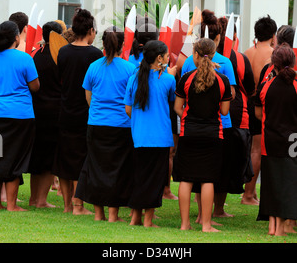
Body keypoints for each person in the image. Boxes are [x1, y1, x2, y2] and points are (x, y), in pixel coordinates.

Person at [75, 26, 136, 222]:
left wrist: (99, 113)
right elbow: (132, 101)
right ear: (123, 45)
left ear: (103, 44)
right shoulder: (129, 69)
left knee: (96, 168)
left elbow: (88, 98)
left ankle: (98, 214)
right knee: (118, 169)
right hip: (121, 125)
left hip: (97, 124)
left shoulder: (94, 67)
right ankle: (113, 215)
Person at [173, 38, 232, 232]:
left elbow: (177, 107)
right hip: (213, 134)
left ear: (195, 55)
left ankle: (184, 224)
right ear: (214, 55)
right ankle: (206, 225)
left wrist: (190, 117)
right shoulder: (222, 80)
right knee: (208, 179)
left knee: (186, 179)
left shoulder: (186, 78)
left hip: (189, 132)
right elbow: (224, 112)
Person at [181, 10, 236, 217]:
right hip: (218, 126)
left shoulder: (188, 65)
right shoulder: (226, 64)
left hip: (190, 127)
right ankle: (214, 212)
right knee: (211, 175)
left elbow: (180, 101)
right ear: (217, 40)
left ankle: (193, 217)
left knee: (190, 175)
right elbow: (229, 98)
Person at [52, 8, 103, 214]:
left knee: (64, 158)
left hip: (65, 110)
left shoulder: (63, 51)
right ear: (90, 30)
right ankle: (78, 205)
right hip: (86, 112)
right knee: (82, 158)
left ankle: (66, 206)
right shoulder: (95, 55)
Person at [125, 40, 176, 227]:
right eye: (167, 54)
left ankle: (135, 218)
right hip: (160, 137)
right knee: (155, 181)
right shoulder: (169, 79)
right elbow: (172, 102)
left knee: (139, 177)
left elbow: (128, 109)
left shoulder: (134, 78)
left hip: (139, 136)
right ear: (160, 58)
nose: (169, 57)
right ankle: (148, 220)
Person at [255, 43, 297, 236]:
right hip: (293, 141)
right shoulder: (296, 85)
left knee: (271, 182)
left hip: (270, 140)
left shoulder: (266, 86)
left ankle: (273, 227)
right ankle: (283, 226)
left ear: (274, 64)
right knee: (289, 182)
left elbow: (258, 113)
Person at [0, 21, 39, 211]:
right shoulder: (24, 58)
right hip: (20, 117)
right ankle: (12, 205)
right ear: (16, 37)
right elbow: (35, 86)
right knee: (15, 158)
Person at [215, 18, 255, 213]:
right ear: (234, 36)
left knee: (212, 158)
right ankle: (219, 208)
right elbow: (249, 87)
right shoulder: (238, 58)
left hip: (206, 113)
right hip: (234, 113)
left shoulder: (200, 56)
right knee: (228, 160)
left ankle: (203, 201)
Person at [242, 15, 277, 206]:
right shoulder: (273, 54)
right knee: (257, 150)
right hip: (260, 104)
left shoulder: (247, 52)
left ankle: (251, 191)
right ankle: (248, 193)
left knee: (251, 149)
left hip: (246, 103)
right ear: (273, 35)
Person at [28, 21, 63, 208]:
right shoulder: (59, 56)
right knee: (50, 158)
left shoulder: (36, 55)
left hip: (36, 110)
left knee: (37, 156)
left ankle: (34, 198)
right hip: (55, 111)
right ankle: (41, 200)